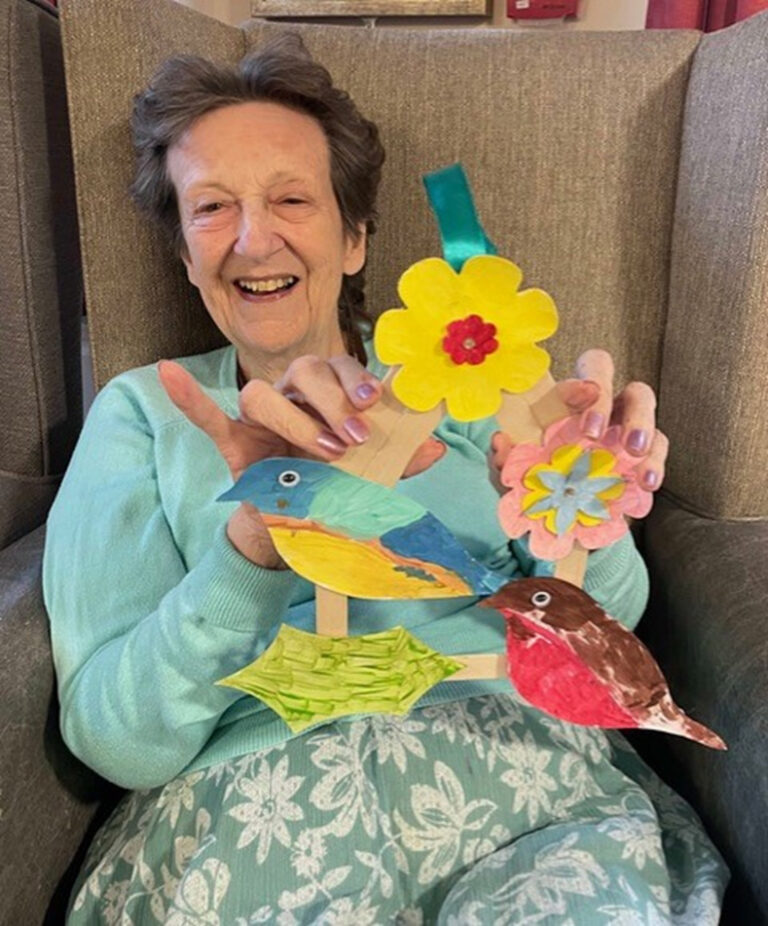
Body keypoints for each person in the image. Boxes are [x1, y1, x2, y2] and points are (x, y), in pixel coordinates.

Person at [44, 34, 726, 925]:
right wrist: (255, 544)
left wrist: (585, 515)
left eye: (292, 198)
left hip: (529, 790)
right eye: (211, 207)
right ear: (183, 252)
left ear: (355, 237)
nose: (254, 238)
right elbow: (117, 743)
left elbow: (607, 631)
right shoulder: (144, 414)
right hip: (260, 812)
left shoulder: (474, 387)